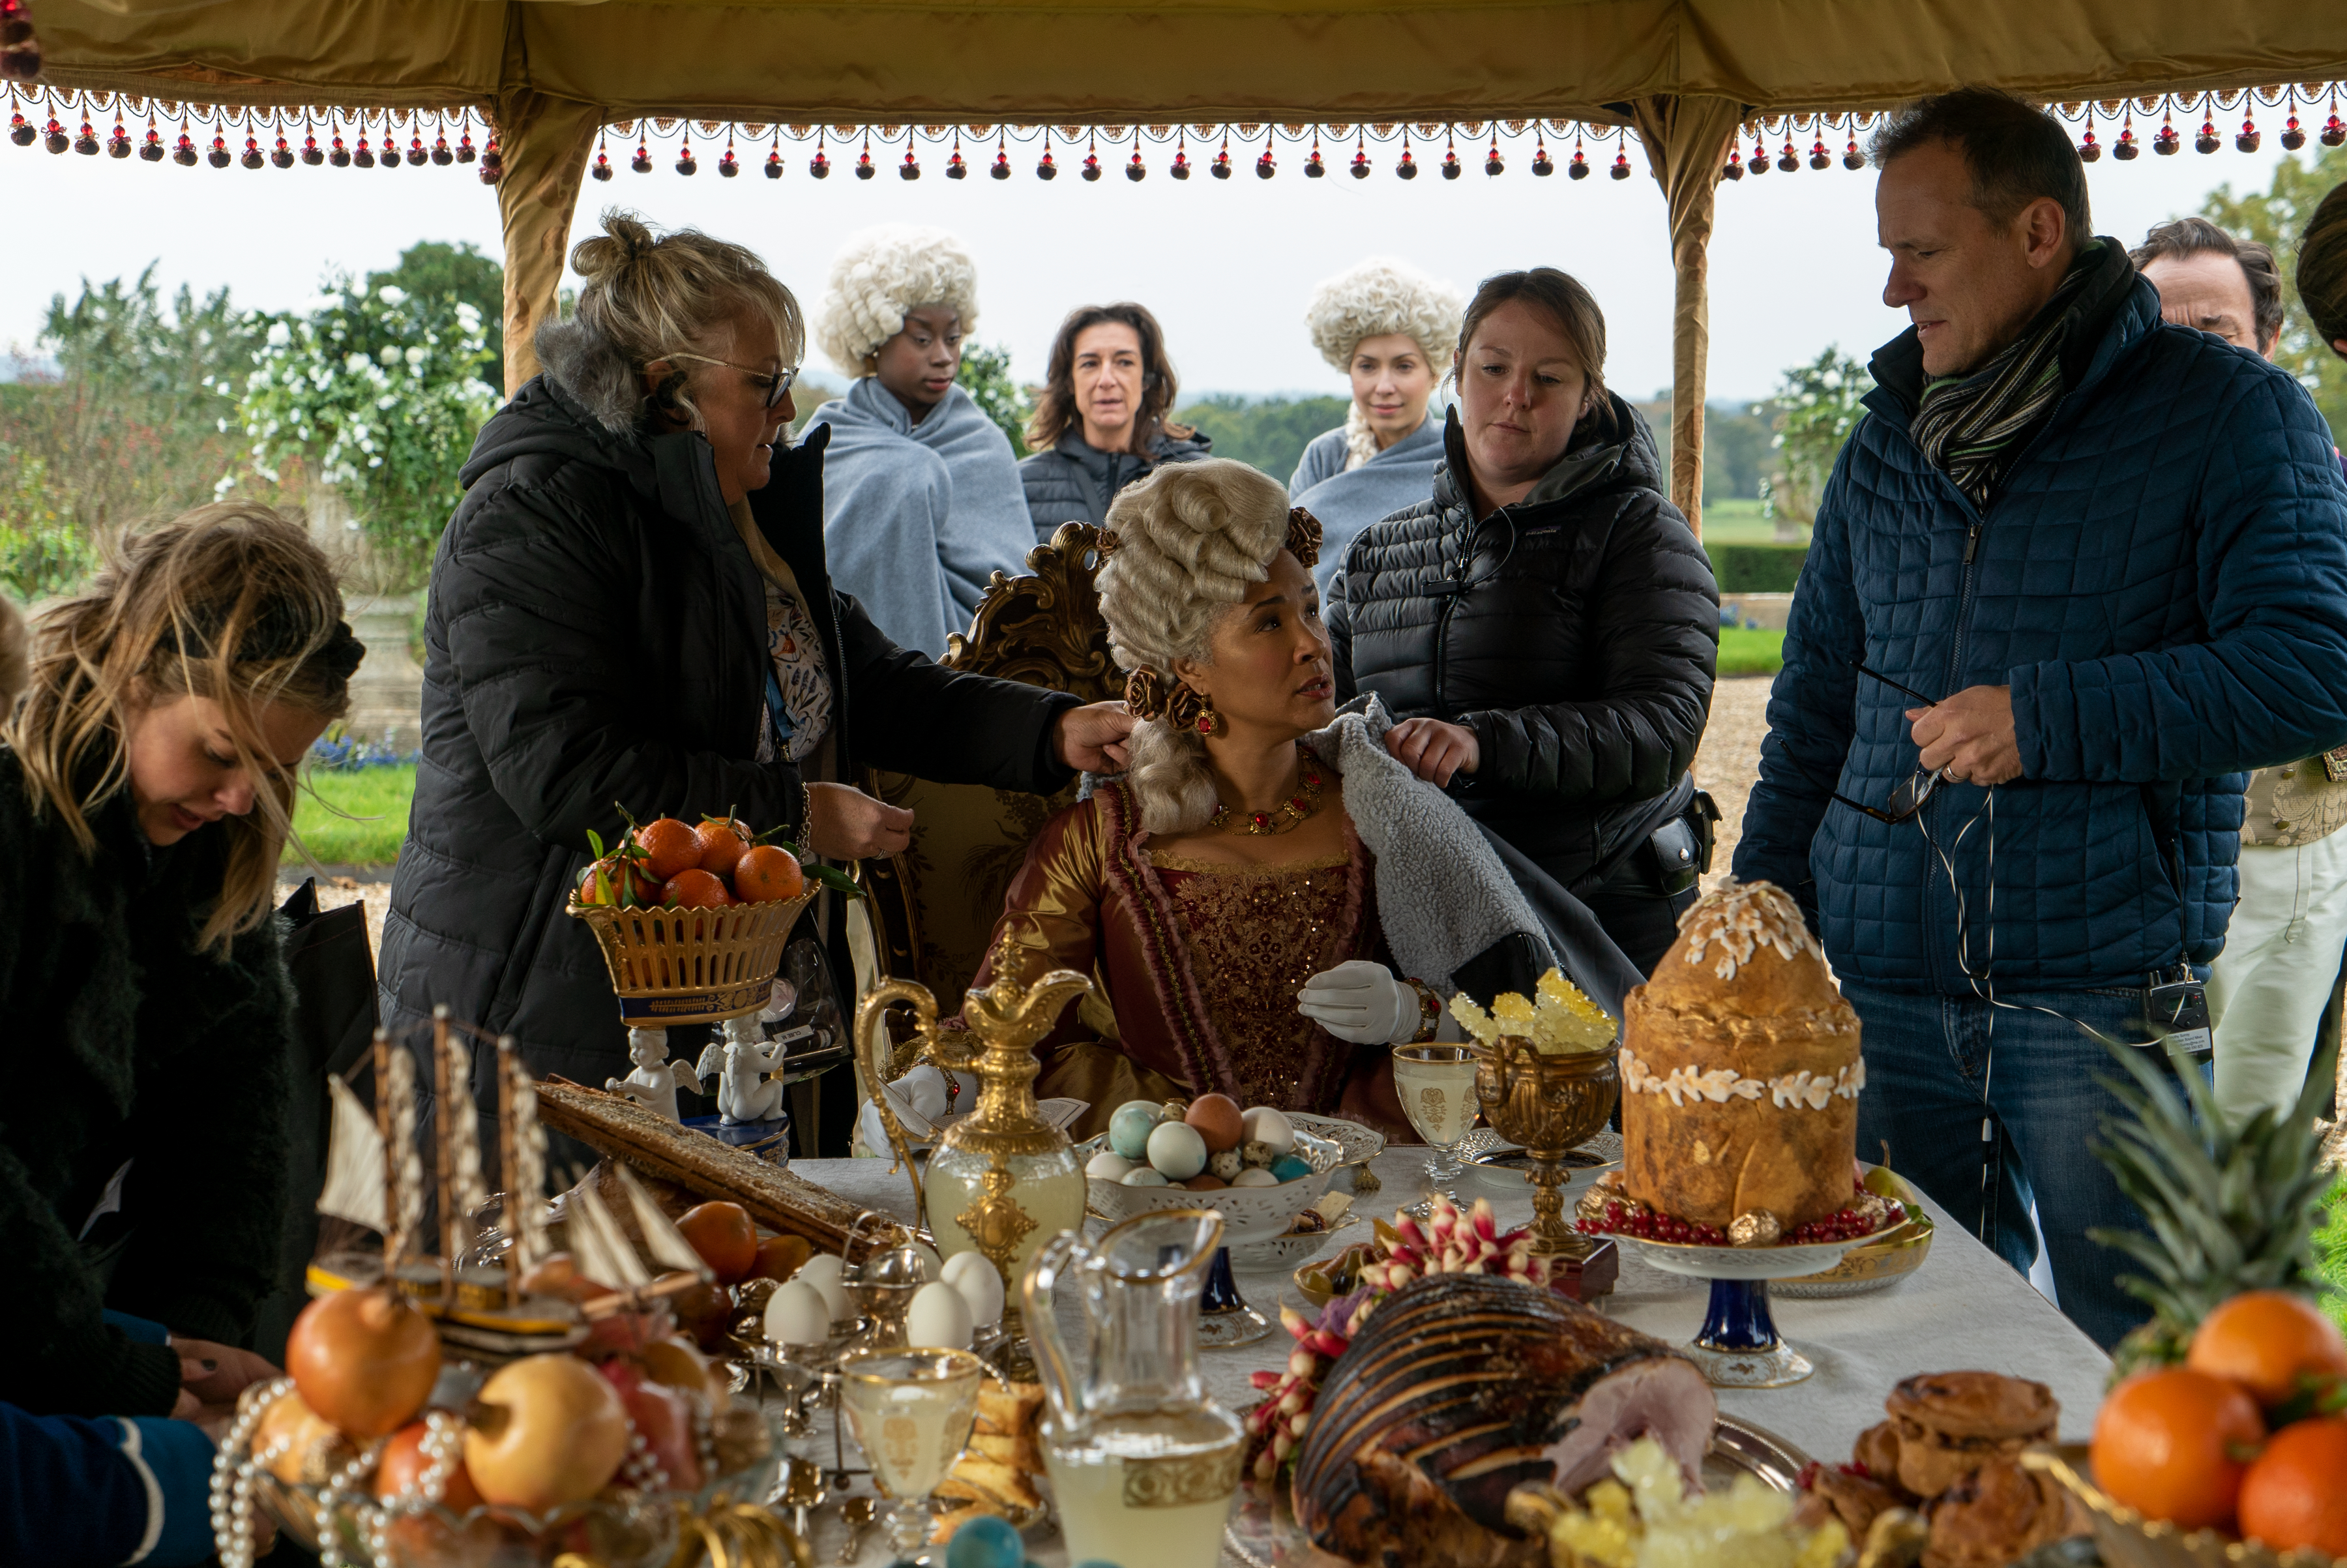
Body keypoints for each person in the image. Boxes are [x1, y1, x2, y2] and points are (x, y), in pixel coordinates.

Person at [1734, 90, 2347, 1350]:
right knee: (1905, 1349)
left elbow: (2314, 667)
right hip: (1886, 995)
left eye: (1923, 250)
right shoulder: (1885, 440)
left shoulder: (2230, 412)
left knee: (2140, 1357)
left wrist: (2046, 718)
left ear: (2036, 233)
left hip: (2104, 1000)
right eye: (1888, 254)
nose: (1895, 288)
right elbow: (1815, 705)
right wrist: (1759, 917)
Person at [378, 213, 1134, 1152]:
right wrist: (797, 814)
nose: (788, 410)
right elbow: (568, 772)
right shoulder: (532, 513)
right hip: (540, 1007)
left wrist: (1053, 729)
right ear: (668, 390)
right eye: (766, 385)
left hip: (713, 1002)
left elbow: (868, 684)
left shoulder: (738, 508)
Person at [870, 459, 1638, 1144]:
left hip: (1374, 1192)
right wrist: (948, 1078)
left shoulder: (1387, 813)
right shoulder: (1101, 839)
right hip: (1165, 1193)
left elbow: (1521, 1022)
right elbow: (1012, 1016)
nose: (1312, 642)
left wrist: (1418, 1014)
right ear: (1188, 664)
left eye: (1310, 607)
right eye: (1269, 621)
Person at [0, 505, 361, 1428]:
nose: (240, 798)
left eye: (271, 771)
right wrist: (99, 1371)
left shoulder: (211, 861)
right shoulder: (13, 830)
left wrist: (197, 1329)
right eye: (220, 753)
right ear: (133, 674)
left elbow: (230, 1123)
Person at [1328, 268, 1720, 977]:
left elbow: (1662, 728)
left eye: (1548, 376)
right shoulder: (1377, 553)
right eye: (1494, 368)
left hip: (1606, 912)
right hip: (1432, 918)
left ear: (1588, 394)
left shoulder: (1639, 535)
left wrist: (1483, 743)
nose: (1516, 395)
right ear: (1457, 371)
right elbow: (1315, 708)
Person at [2133, 218, 2347, 1123]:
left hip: (2310, 848)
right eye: (2163, 329)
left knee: (2265, 1126)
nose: (2189, 354)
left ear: (2269, 338)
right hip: (2158, 865)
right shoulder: (2092, 502)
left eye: (2214, 330)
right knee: (2148, 1137)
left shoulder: (2331, 480)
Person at [801, 225, 1033, 658]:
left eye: (954, 338)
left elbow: (1017, 594)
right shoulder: (830, 438)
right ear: (873, 340)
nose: (943, 356)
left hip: (976, 677)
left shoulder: (982, 443)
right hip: (842, 672)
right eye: (923, 339)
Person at [1288, 258, 1463, 595]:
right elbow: (1292, 568)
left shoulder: (1460, 453)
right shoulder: (1325, 456)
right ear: (1349, 370)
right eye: (1367, 366)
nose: (1384, 386)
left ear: (1434, 374)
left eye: (1404, 366)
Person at [1016, 302, 1211, 541]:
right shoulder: (1022, 485)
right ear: (1069, 381)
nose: (1106, 380)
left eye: (1124, 362)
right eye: (1090, 364)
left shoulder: (1199, 478)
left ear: (1146, 378)